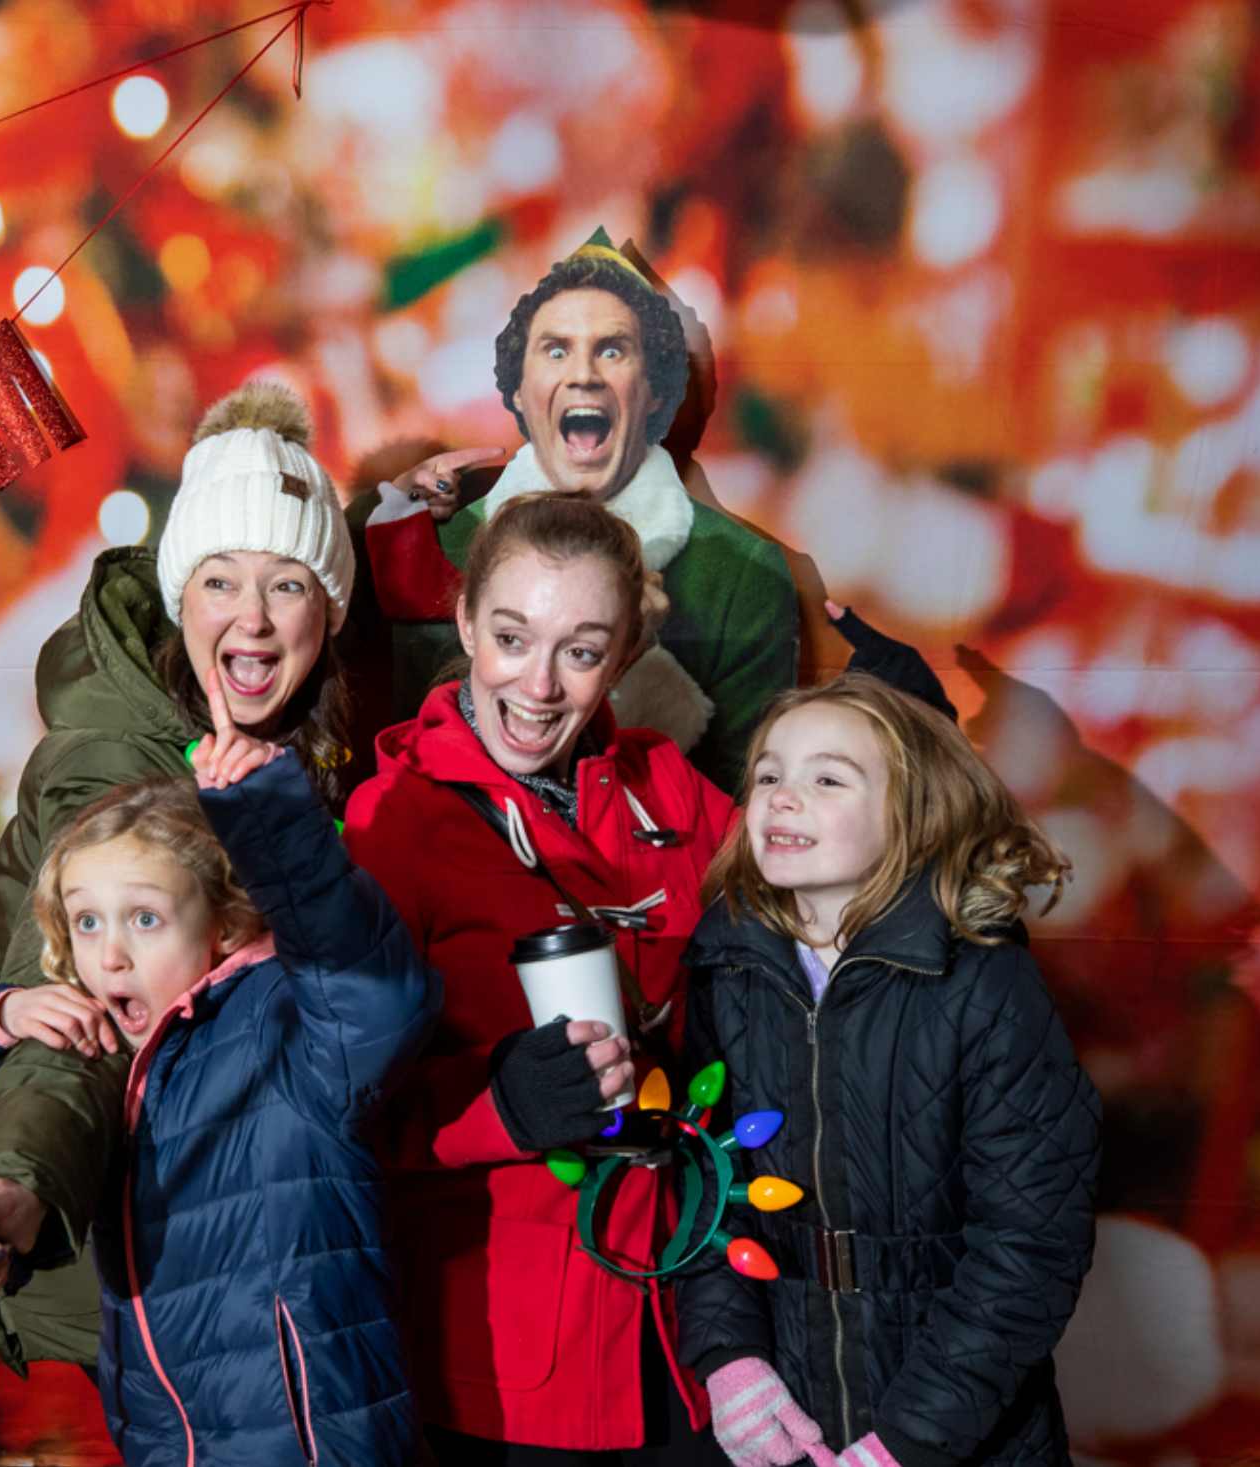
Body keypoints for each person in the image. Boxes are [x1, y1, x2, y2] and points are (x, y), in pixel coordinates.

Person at [0, 379, 365, 1373]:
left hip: (292, 1251)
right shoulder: (112, 768)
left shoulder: (315, 737)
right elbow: (73, 1017)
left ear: (328, 609)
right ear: (179, 597)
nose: (250, 619)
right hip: (165, 1269)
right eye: (219, 581)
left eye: (285, 584)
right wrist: (13, 1183)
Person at [0, 671, 440, 1467]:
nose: (110, 951)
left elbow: (371, 989)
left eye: (145, 917)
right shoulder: (125, 1052)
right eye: (87, 920)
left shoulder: (284, 1028)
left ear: (226, 924)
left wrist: (271, 817)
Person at [343, 492, 732, 1464]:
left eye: (581, 649)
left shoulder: (669, 791)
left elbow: (807, 924)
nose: (539, 685)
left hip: (689, 1333)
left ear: (626, 653)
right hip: (510, 1366)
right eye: (512, 637)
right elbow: (323, 1106)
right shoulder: (391, 822)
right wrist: (500, 1106)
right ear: (466, 618)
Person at [677, 672, 1100, 1467]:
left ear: (911, 812)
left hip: (961, 1429)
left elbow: (1031, 1244)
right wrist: (728, 1358)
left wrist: (907, 1441)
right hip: (790, 1415)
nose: (783, 795)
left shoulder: (980, 984)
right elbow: (705, 1186)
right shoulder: (724, 965)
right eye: (768, 773)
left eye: (827, 777)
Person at [362, 229, 799, 793]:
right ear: (519, 392)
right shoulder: (439, 544)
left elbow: (741, 811)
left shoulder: (745, 578)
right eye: (556, 349)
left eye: (612, 350)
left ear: (656, 392)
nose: (584, 374)